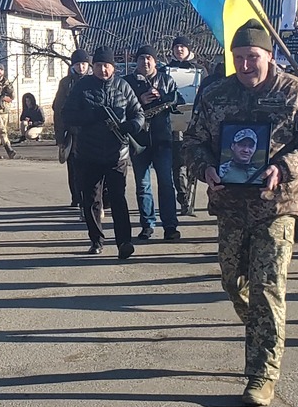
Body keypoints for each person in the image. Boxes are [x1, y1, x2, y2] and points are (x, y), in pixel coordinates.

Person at [182, 21, 298, 406]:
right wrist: (205, 169)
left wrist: (284, 168)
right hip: (231, 206)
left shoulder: (296, 93)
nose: (246, 65)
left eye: (253, 57)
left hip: (277, 206)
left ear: (269, 56)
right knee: (234, 284)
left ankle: (262, 374)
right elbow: (193, 141)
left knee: (268, 288)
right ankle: (266, 329)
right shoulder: (215, 94)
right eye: (239, 59)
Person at [65, 47, 145, 260]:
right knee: (91, 199)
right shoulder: (82, 87)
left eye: (106, 65)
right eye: (98, 65)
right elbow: (68, 114)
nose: (102, 69)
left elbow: (138, 113)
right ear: (93, 67)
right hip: (88, 153)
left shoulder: (123, 87)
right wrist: (91, 116)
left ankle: (124, 242)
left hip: (117, 153)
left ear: (114, 67)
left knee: (118, 198)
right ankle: (96, 240)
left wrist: (133, 126)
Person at [126, 47, 182, 242]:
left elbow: (178, 100)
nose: (146, 62)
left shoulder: (167, 80)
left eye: (149, 58)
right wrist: (139, 101)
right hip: (138, 140)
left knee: (167, 184)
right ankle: (147, 225)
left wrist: (163, 97)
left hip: (162, 139)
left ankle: (170, 226)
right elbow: (121, 105)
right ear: (137, 61)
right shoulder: (127, 82)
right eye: (142, 58)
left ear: (155, 62)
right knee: (143, 186)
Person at [162, 36, 204, 220]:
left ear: (189, 49)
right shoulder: (164, 71)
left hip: (194, 123)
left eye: (183, 46)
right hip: (173, 124)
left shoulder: (200, 71)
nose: (179, 49)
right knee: (177, 164)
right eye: (176, 46)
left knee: (192, 163)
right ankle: (182, 198)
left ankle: (191, 200)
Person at [51, 51, 91, 209]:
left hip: (91, 133)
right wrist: (60, 137)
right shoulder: (66, 83)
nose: (81, 67)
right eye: (77, 64)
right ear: (72, 65)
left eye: (84, 64)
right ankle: (77, 197)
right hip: (72, 132)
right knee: (74, 167)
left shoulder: (93, 80)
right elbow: (58, 109)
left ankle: (92, 198)